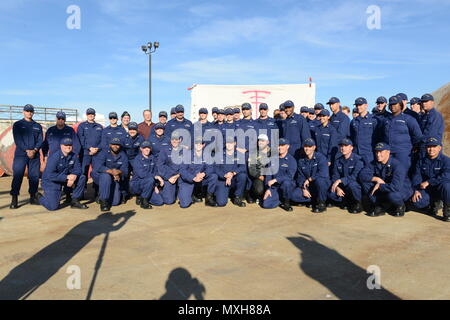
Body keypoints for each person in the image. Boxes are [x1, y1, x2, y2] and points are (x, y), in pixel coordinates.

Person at [360, 143, 414, 217]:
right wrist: (376, 179)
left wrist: (380, 186)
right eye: (376, 152)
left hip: (401, 189)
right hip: (386, 188)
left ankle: (400, 206)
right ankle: (380, 206)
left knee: (392, 195)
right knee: (366, 183)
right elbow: (362, 175)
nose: (378, 154)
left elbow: (396, 186)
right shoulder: (374, 163)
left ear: (388, 152)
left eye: (381, 152)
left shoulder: (397, 165)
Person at [38, 138, 87, 211]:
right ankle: (38, 197)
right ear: (61, 146)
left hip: (63, 179)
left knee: (82, 177)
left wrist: (73, 176)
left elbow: (78, 169)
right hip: (51, 181)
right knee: (53, 207)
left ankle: (75, 201)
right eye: (66, 145)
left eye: (70, 145)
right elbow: (50, 175)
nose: (68, 147)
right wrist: (67, 177)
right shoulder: (54, 157)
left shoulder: (74, 156)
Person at [10, 104, 43, 209]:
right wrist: (27, 150)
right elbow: (18, 140)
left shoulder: (37, 126)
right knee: (18, 175)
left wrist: (34, 150)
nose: (29, 113)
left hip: (35, 154)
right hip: (21, 154)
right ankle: (14, 199)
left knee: (34, 176)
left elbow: (40, 140)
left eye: (31, 111)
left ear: (33, 113)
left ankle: (33, 197)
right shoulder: (18, 125)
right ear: (23, 112)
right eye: (27, 111)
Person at [410, 137, 450, 221]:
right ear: (425, 148)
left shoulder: (446, 160)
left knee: (447, 186)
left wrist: (429, 182)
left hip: (440, 187)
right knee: (417, 202)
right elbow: (416, 176)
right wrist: (416, 190)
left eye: (434, 146)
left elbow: (446, 175)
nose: (431, 149)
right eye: (429, 147)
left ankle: (447, 211)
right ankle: (433, 203)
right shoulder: (421, 161)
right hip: (428, 189)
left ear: (439, 148)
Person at [379, 96, 422, 171]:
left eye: (395, 104)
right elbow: (381, 136)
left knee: (403, 174)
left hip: (403, 153)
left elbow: (418, 136)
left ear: (400, 105)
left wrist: (414, 148)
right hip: (389, 153)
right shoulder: (385, 120)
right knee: (389, 174)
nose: (393, 106)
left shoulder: (408, 119)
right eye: (391, 104)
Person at [291, 138, 330, 213]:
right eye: (305, 146)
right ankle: (313, 200)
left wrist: (310, 179)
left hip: (320, 185)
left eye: (309, 146)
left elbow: (323, 173)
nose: (307, 148)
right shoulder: (301, 160)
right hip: (309, 186)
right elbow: (300, 177)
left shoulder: (321, 158)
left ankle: (322, 203)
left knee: (320, 181)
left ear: (314, 147)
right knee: (294, 195)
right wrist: (303, 188)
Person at [178, 137, 218, 208]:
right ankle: (191, 194)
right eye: (197, 143)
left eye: (201, 143)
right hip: (189, 180)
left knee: (213, 176)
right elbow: (182, 170)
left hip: (201, 178)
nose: (199, 145)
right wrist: (193, 178)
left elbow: (210, 167)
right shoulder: (187, 154)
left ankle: (209, 198)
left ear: (203, 145)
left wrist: (204, 173)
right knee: (184, 204)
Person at [92, 137, 129, 211]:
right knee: (106, 176)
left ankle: (102, 195)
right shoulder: (103, 153)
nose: (115, 146)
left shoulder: (123, 155)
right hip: (101, 176)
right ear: (110, 145)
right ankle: (103, 201)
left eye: (117, 145)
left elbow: (125, 170)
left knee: (115, 202)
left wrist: (119, 172)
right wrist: (111, 171)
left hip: (115, 177)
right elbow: (98, 167)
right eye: (113, 144)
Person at [328, 139, 364, 213]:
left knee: (352, 185)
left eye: (346, 146)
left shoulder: (358, 160)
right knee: (329, 190)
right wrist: (337, 188)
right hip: (342, 186)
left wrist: (340, 180)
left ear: (351, 148)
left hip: (354, 185)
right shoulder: (338, 160)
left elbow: (355, 176)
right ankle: (345, 201)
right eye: (341, 146)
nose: (343, 148)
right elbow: (335, 176)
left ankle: (358, 203)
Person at [262, 138, 297, 211]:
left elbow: (290, 176)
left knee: (286, 183)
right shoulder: (273, 159)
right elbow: (268, 175)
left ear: (287, 146)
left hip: (286, 186)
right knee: (266, 204)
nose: (280, 147)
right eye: (278, 145)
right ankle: (280, 199)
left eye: (282, 145)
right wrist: (268, 189)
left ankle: (286, 202)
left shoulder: (291, 160)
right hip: (275, 187)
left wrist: (276, 179)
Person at [77, 108, 103, 199]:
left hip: (97, 153)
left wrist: (97, 148)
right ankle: (81, 192)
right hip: (85, 153)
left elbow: (102, 140)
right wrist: (89, 148)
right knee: (83, 172)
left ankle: (97, 192)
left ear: (94, 115)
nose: (91, 115)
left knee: (96, 172)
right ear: (86, 115)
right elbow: (81, 139)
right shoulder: (82, 126)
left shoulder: (99, 126)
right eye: (89, 114)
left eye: (92, 114)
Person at [130, 141, 164, 209]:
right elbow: (142, 174)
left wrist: (155, 185)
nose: (146, 149)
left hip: (149, 184)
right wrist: (156, 177)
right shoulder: (137, 159)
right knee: (150, 179)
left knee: (159, 202)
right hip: (137, 184)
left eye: (148, 148)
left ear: (150, 149)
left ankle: (142, 196)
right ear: (141, 149)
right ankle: (144, 201)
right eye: (144, 148)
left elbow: (156, 171)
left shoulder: (153, 158)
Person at [214, 137, 247, 207]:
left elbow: (243, 167)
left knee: (242, 176)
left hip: (234, 179)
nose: (229, 145)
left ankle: (237, 197)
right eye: (227, 143)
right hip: (223, 180)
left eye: (231, 143)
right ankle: (220, 193)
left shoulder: (239, 154)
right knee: (221, 203)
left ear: (235, 143)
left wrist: (233, 173)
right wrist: (224, 175)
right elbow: (216, 168)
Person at [156, 132, 184, 205]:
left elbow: (186, 166)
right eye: (172, 139)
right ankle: (161, 189)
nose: (174, 141)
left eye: (176, 139)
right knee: (169, 201)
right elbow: (160, 165)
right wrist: (168, 177)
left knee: (184, 201)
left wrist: (178, 175)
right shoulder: (164, 150)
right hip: (169, 176)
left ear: (180, 140)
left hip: (181, 175)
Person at [350, 97, 379, 165]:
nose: (358, 107)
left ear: (366, 105)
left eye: (360, 105)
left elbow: (378, 137)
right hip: (356, 153)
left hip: (369, 153)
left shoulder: (374, 120)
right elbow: (351, 137)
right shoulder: (353, 121)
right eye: (357, 105)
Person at [248, 134, 272, 204]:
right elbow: (251, 169)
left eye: (262, 141)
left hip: (270, 176)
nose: (260, 142)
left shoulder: (273, 152)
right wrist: (259, 175)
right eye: (259, 140)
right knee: (259, 190)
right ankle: (253, 194)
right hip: (258, 176)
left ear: (268, 142)